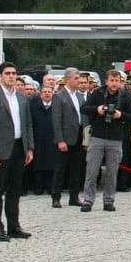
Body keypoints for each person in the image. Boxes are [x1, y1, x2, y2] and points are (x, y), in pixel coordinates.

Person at [0, 61, 34, 242]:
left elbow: (27, 125)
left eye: (13, 73)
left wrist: (29, 148)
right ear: (1, 76)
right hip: (1, 150)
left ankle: (14, 226)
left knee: (15, 190)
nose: (11, 76)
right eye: (7, 73)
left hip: (19, 148)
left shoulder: (22, 98)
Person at [80, 69, 131, 211]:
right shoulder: (97, 93)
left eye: (117, 81)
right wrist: (97, 109)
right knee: (91, 171)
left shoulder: (125, 96)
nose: (114, 84)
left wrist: (120, 114)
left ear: (120, 82)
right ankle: (88, 200)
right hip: (97, 136)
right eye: (112, 80)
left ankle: (109, 201)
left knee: (112, 173)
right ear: (106, 81)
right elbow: (84, 108)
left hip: (116, 138)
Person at [50, 68, 85, 208]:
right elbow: (56, 120)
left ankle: (74, 196)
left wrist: (85, 138)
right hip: (65, 138)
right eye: (76, 78)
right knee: (60, 168)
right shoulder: (59, 96)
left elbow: (84, 117)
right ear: (68, 79)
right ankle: (56, 196)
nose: (78, 81)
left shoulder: (80, 96)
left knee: (76, 168)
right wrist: (60, 140)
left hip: (78, 136)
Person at [28, 84, 57, 195]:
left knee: (51, 163)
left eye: (49, 92)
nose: (47, 93)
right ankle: (38, 186)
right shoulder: (34, 107)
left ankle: (50, 186)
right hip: (38, 138)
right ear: (40, 94)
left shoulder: (56, 107)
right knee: (38, 164)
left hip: (52, 139)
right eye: (44, 92)